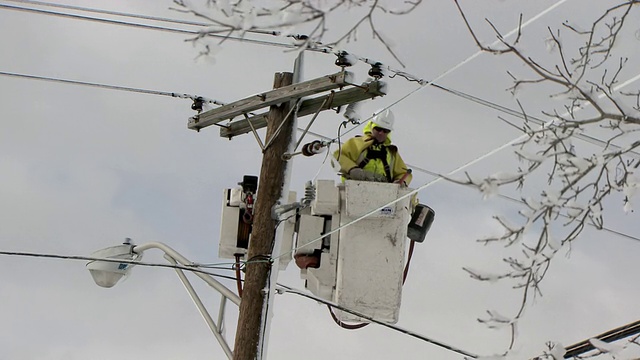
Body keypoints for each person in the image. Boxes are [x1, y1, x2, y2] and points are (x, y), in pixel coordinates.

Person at [333, 109, 412, 186]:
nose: (381, 133)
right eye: (378, 129)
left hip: (384, 194)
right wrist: (352, 169)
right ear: (371, 126)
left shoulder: (391, 153)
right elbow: (338, 157)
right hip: (354, 190)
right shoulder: (356, 143)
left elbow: (403, 173)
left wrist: (402, 182)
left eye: (385, 131)